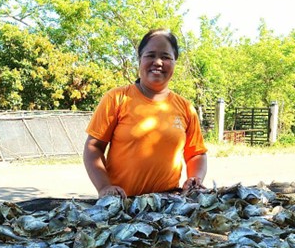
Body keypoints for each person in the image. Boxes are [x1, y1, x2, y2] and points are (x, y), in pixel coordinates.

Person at [83, 29, 208, 198]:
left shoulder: (186, 108)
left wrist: (194, 179)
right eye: (150, 55)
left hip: (168, 204)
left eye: (165, 57)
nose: (158, 62)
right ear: (140, 59)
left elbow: (196, 154)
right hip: (122, 204)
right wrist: (104, 187)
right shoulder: (117, 98)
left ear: (174, 62)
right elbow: (93, 148)